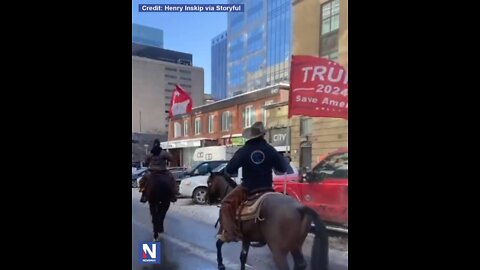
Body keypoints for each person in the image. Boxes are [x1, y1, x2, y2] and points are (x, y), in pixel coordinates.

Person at [217, 122, 289, 242]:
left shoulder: (244, 150)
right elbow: (283, 168)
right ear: (263, 135)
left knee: (226, 204)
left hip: (248, 188)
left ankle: (229, 233)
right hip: (267, 188)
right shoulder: (270, 149)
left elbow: (230, 169)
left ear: (250, 136)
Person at [139, 139, 177, 203]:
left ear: (153, 145)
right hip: (163, 171)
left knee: (142, 181)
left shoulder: (150, 153)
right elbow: (171, 158)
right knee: (172, 179)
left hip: (152, 171)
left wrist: (147, 163)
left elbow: (145, 162)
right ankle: (174, 194)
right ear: (159, 145)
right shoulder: (164, 153)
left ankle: (144, 194)